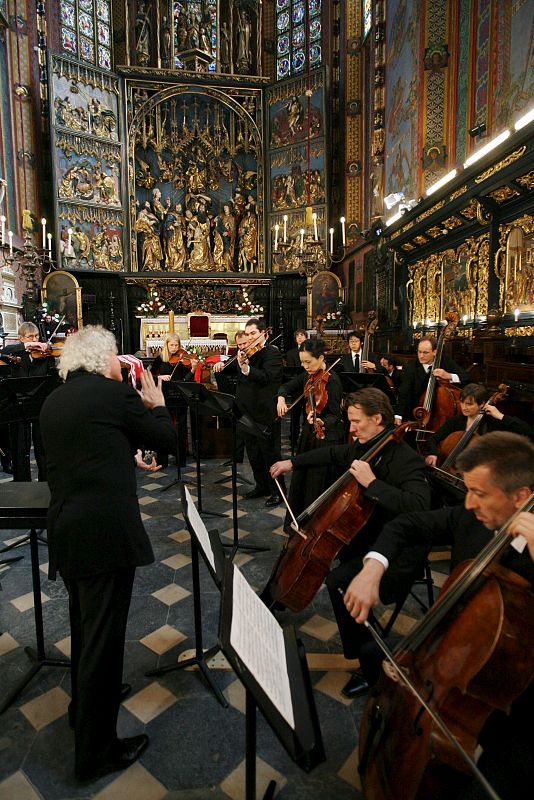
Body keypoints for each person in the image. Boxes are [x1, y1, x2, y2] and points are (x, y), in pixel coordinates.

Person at [342, 431, 534, 800]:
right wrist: (372, 569)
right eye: (467, 489)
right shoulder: (474, 518)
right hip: (455, 657)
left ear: (521, 497)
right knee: (372, 655)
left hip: (516, 704)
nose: (468, 502)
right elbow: (405, 525)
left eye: (480, 493)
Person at [39, 326, 176, 782]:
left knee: (84, 628)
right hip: (104, 534)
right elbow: (165, 440)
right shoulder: (113, 394)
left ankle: (86, 705)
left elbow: (82, 452)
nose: (121, 363)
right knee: (103, 638)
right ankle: (95, 754)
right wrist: (157, 405)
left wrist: (122, 455)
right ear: (103, 359)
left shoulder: (55, 400)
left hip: (68, 530)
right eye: (117, 356)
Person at [270, 389, 431, 665]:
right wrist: (291, 463)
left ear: (378, 418)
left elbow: (420, 508)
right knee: (305, 543)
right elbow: (333, 453)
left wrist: (373, 484)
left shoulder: (405, 459)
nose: (352, 429)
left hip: (396, 549)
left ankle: (365, 655)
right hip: (365, 533)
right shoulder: (367, 445)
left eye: (357, 422)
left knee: (338, 582)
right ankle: (274, 599)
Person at [276, 339, 344, 521]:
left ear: (321, 357)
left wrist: (321, 420)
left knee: (316, 483)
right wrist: (281, 398)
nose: (305, 366)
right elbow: (287, 386)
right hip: (309, 432)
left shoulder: (333, 381)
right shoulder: (309, 376)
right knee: (302, 479)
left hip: (326, 436)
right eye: (302, 362)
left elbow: (335, 415)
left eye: (308, 361)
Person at [235, 318, 284, 506]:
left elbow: (267, 378)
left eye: (253, 333)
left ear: (265, 333)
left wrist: (246, 368)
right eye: (247, 334)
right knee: (253, 453)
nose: (250, 338)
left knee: (270, 454)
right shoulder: (246, 353)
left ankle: (277, 492)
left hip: (265, 412)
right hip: (246, 412)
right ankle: (261, 486)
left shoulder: (272, 353)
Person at [425, 382, 534, 467]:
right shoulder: (455, 421)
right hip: (454, 470)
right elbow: (433, 439)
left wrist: (501, 416)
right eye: (462, 402)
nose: (464, 407)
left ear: (482, 404)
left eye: (469, 404)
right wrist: (433, 453)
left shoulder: (493, 423)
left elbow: (528, 431)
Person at [0, 321, 55, 481]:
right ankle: (21, 479)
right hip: (18, 403)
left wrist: (48, 347)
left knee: (42, 445)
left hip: (40, 403)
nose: (35, 340)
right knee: (20, 445)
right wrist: (26, 347)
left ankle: (46, 480)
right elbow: (4, 351)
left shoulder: (44, 355)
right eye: (31, 337)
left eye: (37, 336)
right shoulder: (14, 352)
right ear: (21, 338)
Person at [394, 335, 471, 423]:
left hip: (442, 415)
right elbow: (404, 392)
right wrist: (398, 415)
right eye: (419, 352)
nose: (421, 356)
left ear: (435, 352)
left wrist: (449, 376)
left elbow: (467, 377)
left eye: (425, 352)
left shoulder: (445, 361)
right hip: (416, 414)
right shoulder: (411, 367)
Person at [150, 333, 195, 468]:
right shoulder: (160, 358)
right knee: (165, 427)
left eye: (176, 345)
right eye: (171, 345)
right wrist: (160, 377)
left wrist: (192, 369)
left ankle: (180, 459)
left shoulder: (183, 358)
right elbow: (150, 374)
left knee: (181, 429)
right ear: (166, 345)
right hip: (164, 396)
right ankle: (162, 460)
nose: (174, 348)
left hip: (180, 396)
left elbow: (187, 379)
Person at [212, 330, 248, 465]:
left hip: (253, 395)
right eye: (239, 344)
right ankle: (236, 456)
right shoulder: (238, 354)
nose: (242, 347)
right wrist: (220, 364)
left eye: (244, 343)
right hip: (239, 394)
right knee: (237, 425)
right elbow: (230, 363)